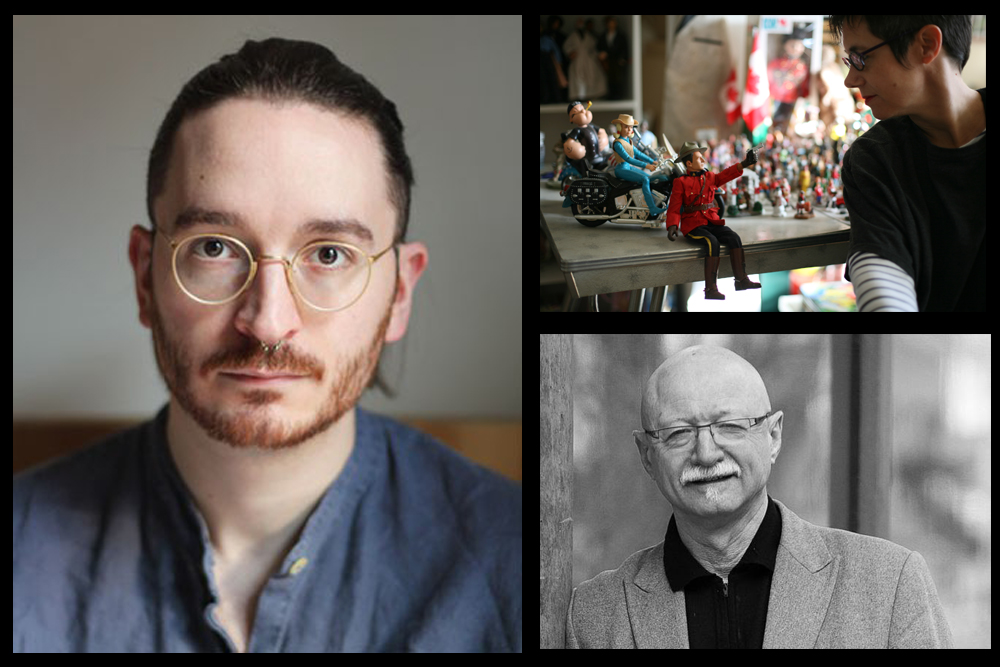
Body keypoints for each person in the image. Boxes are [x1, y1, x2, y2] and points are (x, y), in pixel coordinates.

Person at [12, 37, 522, 653]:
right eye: (214, 247)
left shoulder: (517, 564)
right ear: (143, 275)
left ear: (401, 293)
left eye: (329, 254)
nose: (268, 321)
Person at [566, 346, 952, 648]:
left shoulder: (890, 584)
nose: (706, 453)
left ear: (774, 436)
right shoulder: (594, 615)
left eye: (730, 426)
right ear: (647, 455)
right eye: (678, 433)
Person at [829, 16, 985, 311]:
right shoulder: (873, 160)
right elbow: (883, 281)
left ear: (926, 45)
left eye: (860, 58)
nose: (850, 79)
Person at [667, 142, 761, 300]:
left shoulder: (709, 177)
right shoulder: (681, 182)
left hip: (711, 220)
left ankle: (741, 280)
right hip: (693, 225)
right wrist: (672, 225)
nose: (703, 160)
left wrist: (745, 163)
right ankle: (710, 289)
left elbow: (725, 175)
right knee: (712, 242)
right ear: (689, 163)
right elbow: (674, 206)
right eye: (698, 158)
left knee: (734, 237)